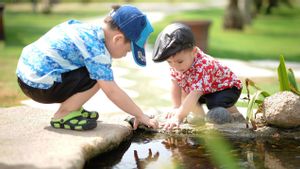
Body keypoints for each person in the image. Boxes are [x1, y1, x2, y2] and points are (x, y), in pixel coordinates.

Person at [16, 5, 158, 131]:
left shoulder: (89, 31)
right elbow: (112, 91)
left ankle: (74, 107)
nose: (126, 55)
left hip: (26, 76)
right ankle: (64, 114)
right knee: (99, 77)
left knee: (95, 71)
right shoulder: (96, 50)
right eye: (128, 51)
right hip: (39, 86)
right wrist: (140, 114)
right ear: (118, 39)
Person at [152, 23, 244, 130]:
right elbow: (175, 85)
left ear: (194, 52)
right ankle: (200, 120)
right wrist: (176, 107)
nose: (175, 66)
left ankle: (237, 117)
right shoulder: (176, 65)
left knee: (213, 103)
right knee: (186, 97)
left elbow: (195, 94)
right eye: (169, 62)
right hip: (206, 90)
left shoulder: (204, 65)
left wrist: (178, 117)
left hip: (227, 88)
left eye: (179, 61)